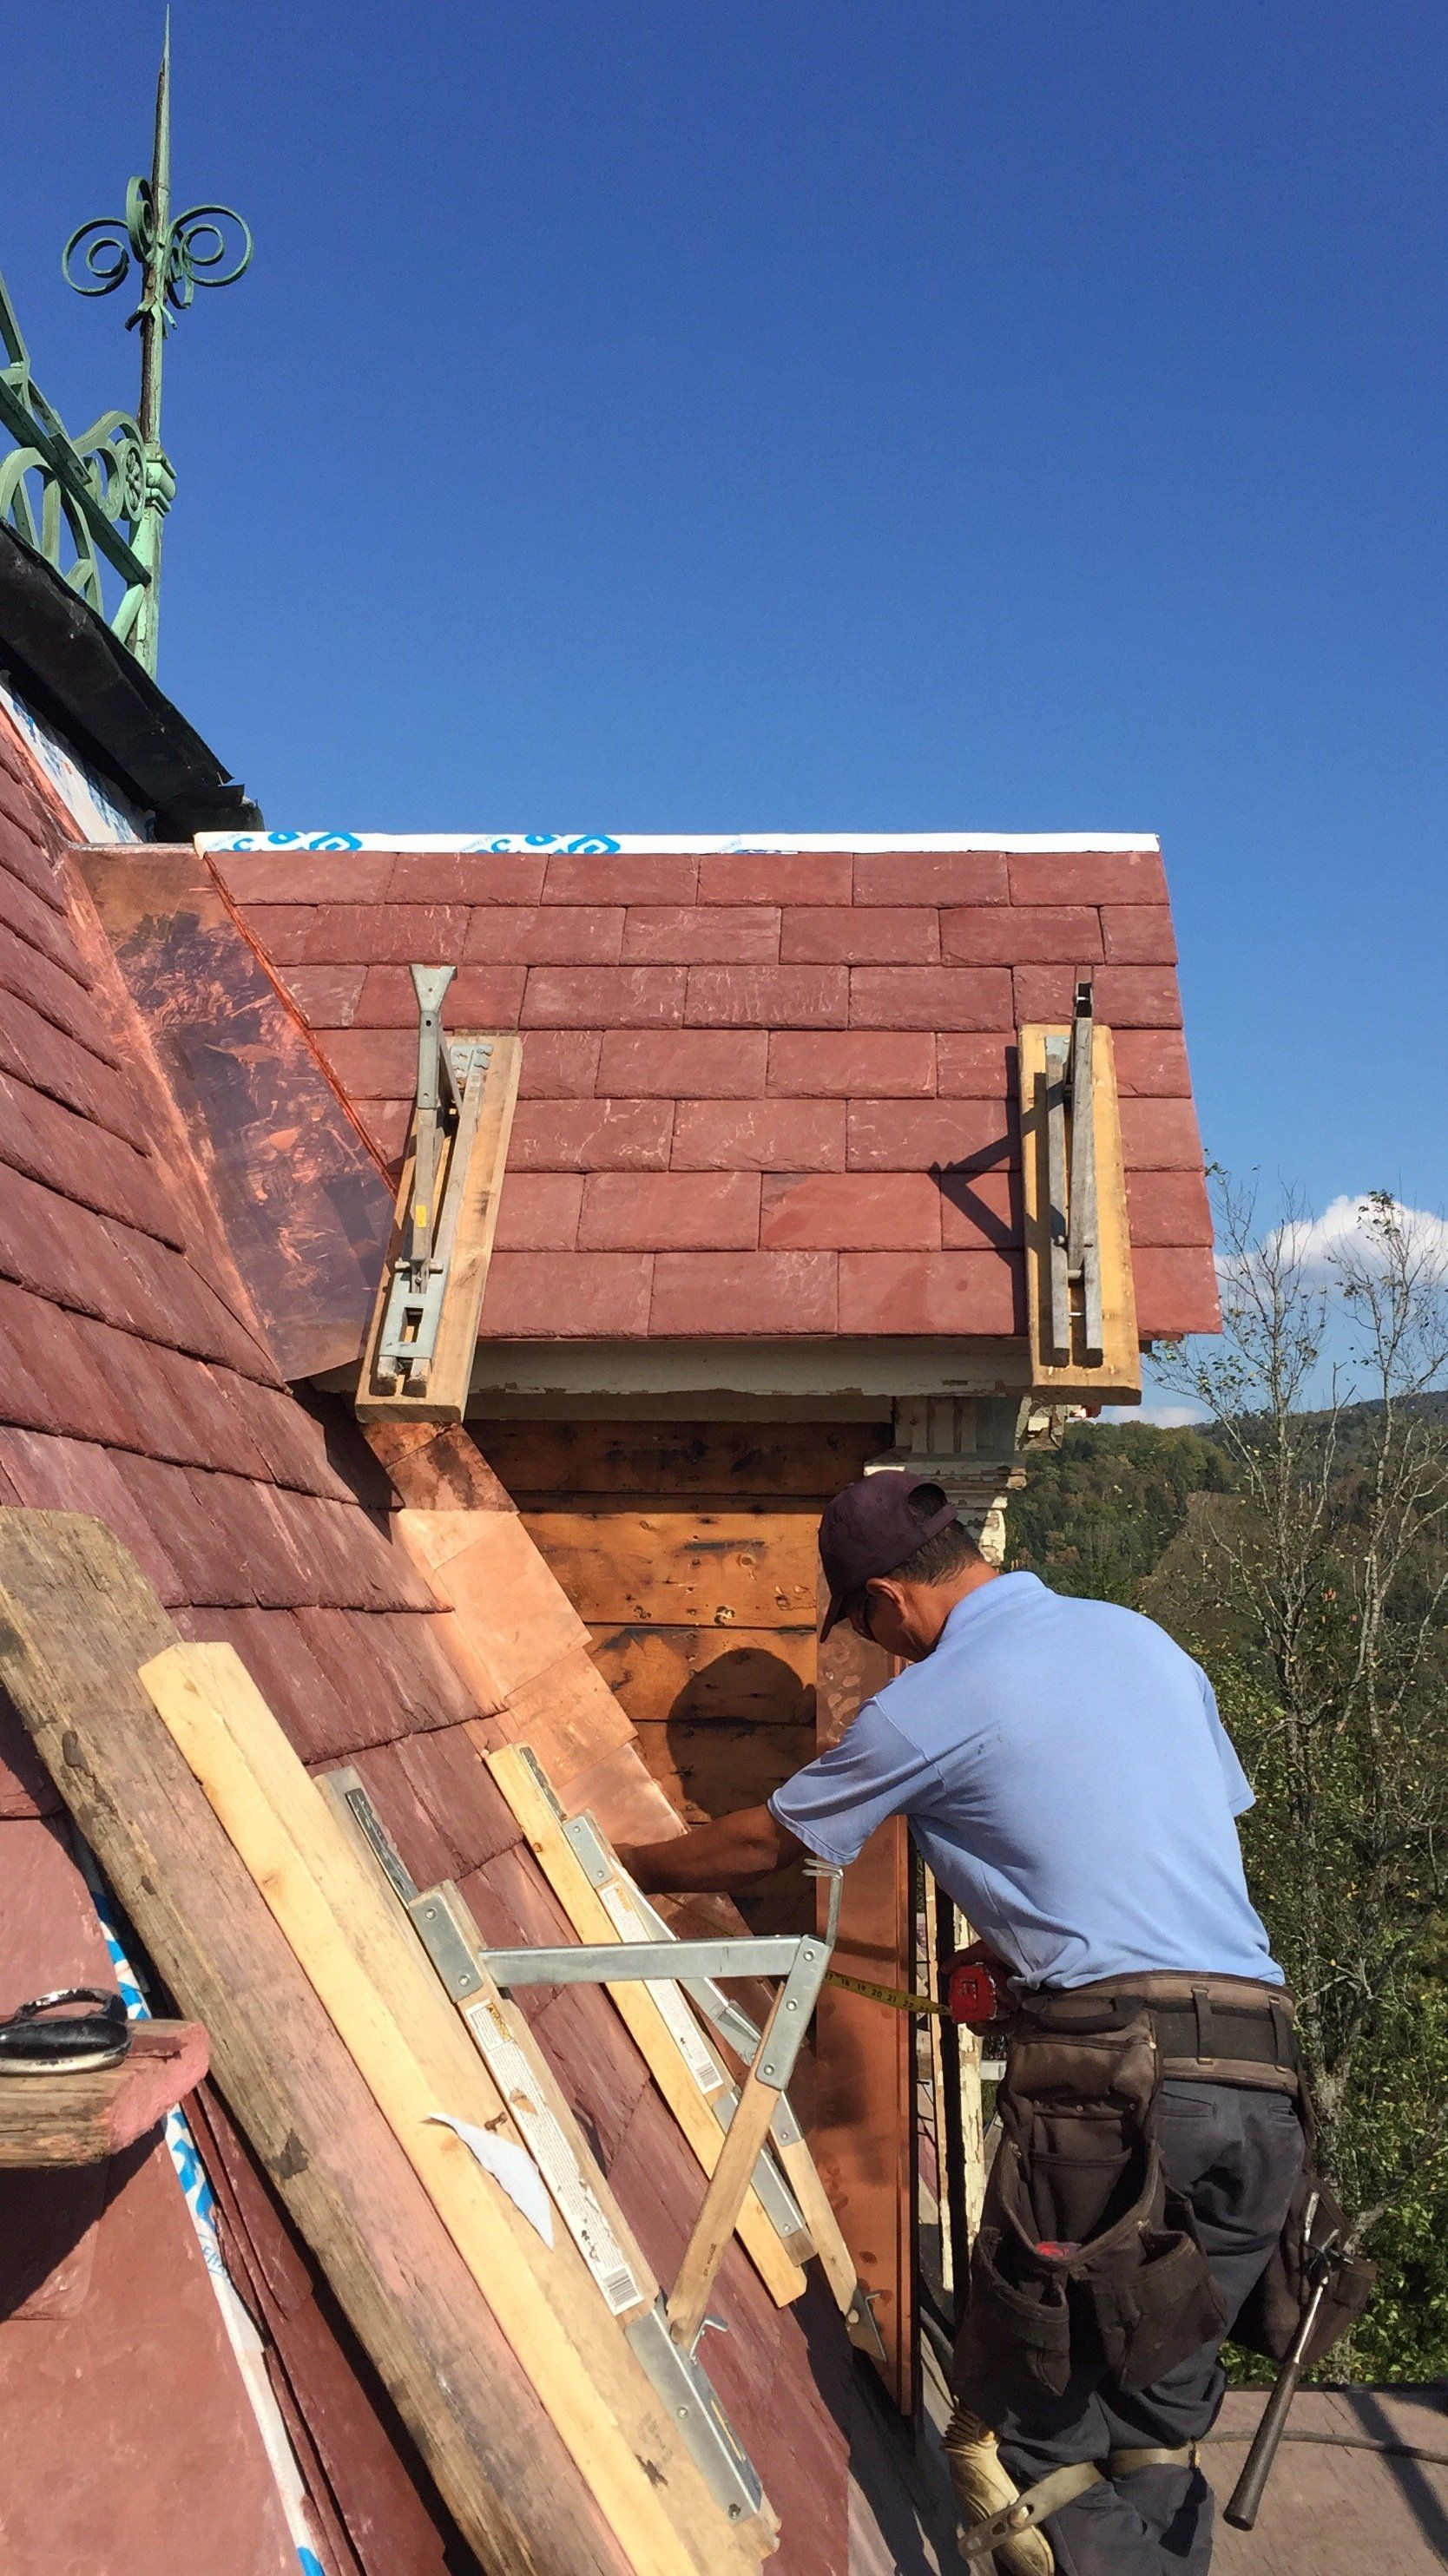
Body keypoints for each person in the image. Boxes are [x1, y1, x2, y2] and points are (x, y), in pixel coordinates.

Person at [618, 1470, 1306, 2576]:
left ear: (888, 1598)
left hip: (1121, 2103)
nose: (879, 1648)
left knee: (1039, 2436)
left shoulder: (938, 1696)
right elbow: (1155, 1842)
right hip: (1262, 2081)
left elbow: (773, 1843)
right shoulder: (1142, 1642)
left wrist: (623, 1860)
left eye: (867, 1625)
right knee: (1154, 2411)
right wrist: (1029, 1952)